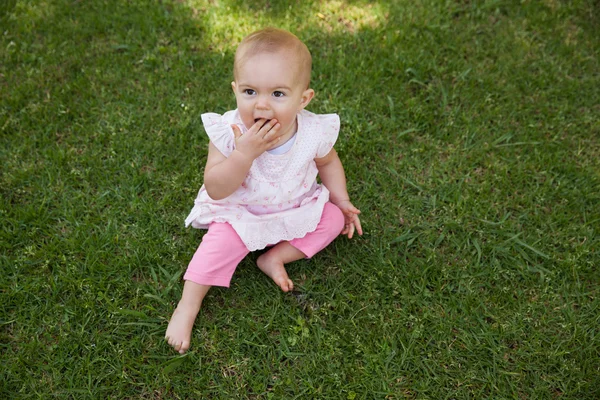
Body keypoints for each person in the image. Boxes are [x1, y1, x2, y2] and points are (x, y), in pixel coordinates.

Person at [165, 27, 362, 354]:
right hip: (242, 213)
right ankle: (188, 304)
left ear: (304, 99)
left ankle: (274, 258)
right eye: (250, 92)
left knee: (330, 219)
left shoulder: (313, 131)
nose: (263, 105)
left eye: (278, 94)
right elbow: (215, 188)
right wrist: (244, 154)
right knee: (218, 244)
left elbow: (327, 163)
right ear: (235, 91)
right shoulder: (230, 131)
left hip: (294, 207)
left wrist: (341, 199)